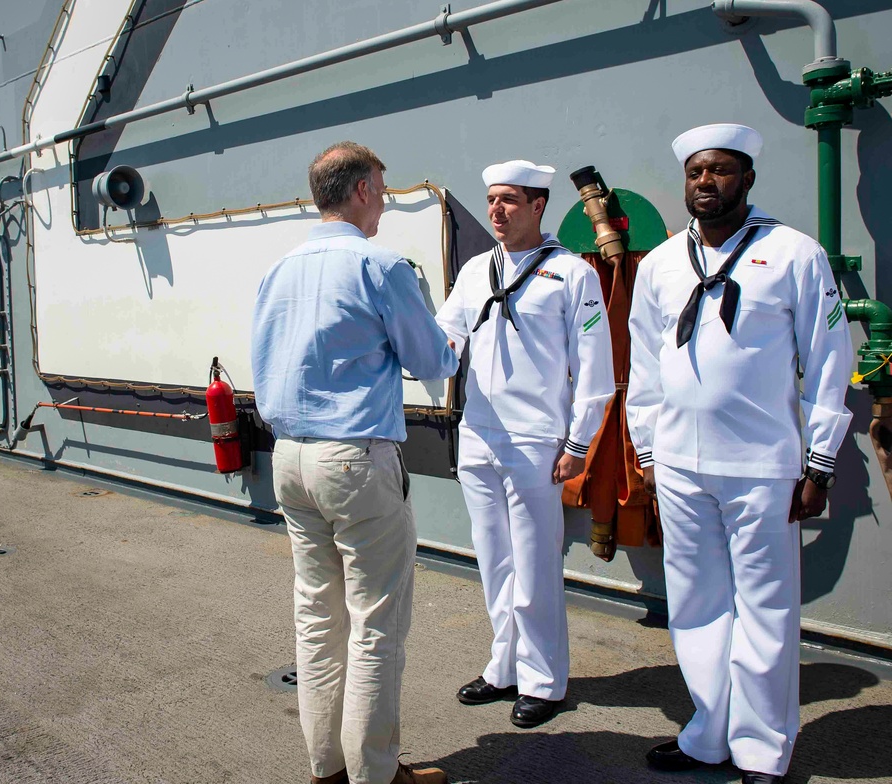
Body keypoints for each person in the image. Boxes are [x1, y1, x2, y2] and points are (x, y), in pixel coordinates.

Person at [625, 123, 853, 784]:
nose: (706, 182)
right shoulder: (663, 263)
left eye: (721, 170)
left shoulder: (792, 253)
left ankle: (761, 749)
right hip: (678, 463)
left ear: (747, 177)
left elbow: (830, 361)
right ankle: (708, 734)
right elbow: (642, 363)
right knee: (695, 605)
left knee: (765, 608)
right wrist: (646, 453)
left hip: (762, 466)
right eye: (697, 171)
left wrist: (820, 463)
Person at [252, 142, 458, 784]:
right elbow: (432, 362)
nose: (385, 205)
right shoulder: (380, 263)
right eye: (383, 190)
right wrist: (451, 340)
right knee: (375, 624)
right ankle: (376, 775)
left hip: (290, 458)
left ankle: (328, 769)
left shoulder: (279, 268)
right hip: (355, 460)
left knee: (318, 618)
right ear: (363, 190)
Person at [436, 160, 615, 729]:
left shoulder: (572, 275)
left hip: (538, 441)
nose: (496, 210)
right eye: (491, 199)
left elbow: (595, 368)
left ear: (538, 206)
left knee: (536, 567)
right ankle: (504, 667)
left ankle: (544, 681)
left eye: (509, 200)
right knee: (494, 562)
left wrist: (580, 443)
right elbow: (446, 339)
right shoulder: (472, 272)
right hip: (478, 436)